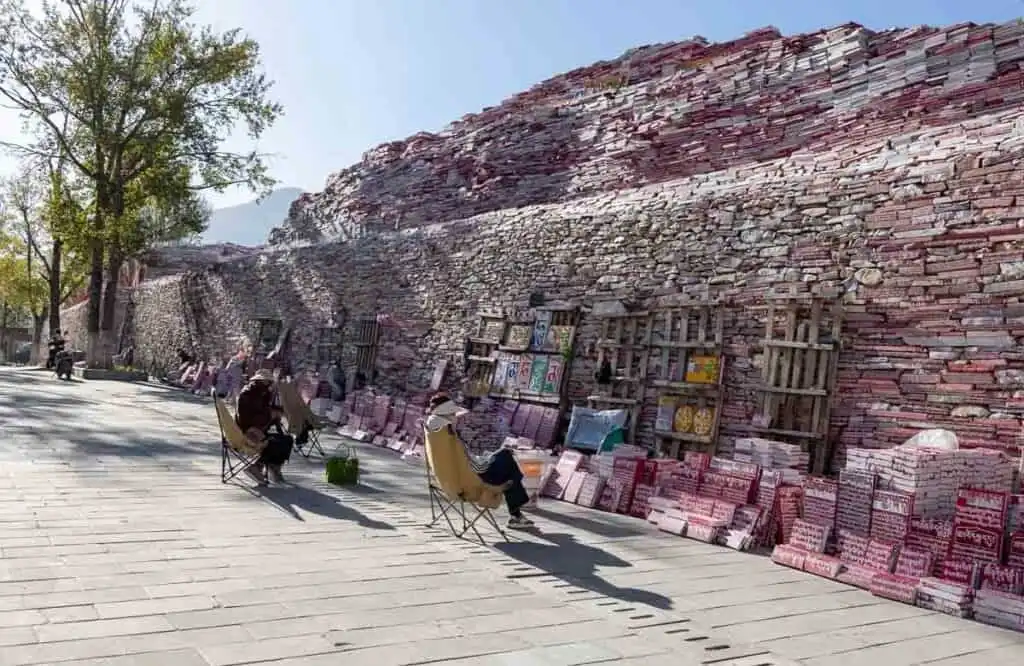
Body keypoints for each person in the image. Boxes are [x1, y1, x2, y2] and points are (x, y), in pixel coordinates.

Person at [424, 392, 535, 529]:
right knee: (509, 463)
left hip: (453, 481)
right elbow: (473, 465)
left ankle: (516, 514)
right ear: (446, 417)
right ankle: (516, 514)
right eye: (453, 415)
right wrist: (489, 458)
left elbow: (467, 460)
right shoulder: (449, 436)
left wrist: (488, 457)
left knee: (506, 463)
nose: (456, 419)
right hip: (472, 478)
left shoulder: (437, 436)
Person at [235, 369, 293, 485]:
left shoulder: (261, 393)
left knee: (287, 439)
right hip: (248, 430)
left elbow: (263, 413)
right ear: (260, 381)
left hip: (257, 428)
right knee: (272, 441)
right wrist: (270, 414)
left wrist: (273, 416)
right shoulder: (249, 393)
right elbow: (249, 417)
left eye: (268, 382)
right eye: (266, 382)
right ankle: (257, 466)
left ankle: (274, 467)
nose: (268, 385)